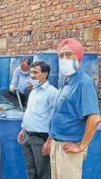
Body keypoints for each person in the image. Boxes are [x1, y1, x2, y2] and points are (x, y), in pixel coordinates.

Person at [45, 38, 101, 179]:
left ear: (79, 57)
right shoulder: (67, 81)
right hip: (57, 145)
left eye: (68, 54)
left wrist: (81, 146)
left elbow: (94, 118)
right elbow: (61, 113)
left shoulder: (83, 83)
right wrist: (51, 138)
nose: (64, 59)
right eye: (61, 56)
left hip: (69, 148)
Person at [17, 61, 58, 179]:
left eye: (35, 72)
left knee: (43, 172)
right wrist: (23, 130)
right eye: (31, 73)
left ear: (45, 74)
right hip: (27, 137)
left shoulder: (52, 93)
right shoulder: (34, 91)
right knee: (31, 171)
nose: (32, 75)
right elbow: (30, 112)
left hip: (41, 138)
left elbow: (54, 118)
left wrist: (49, 141)